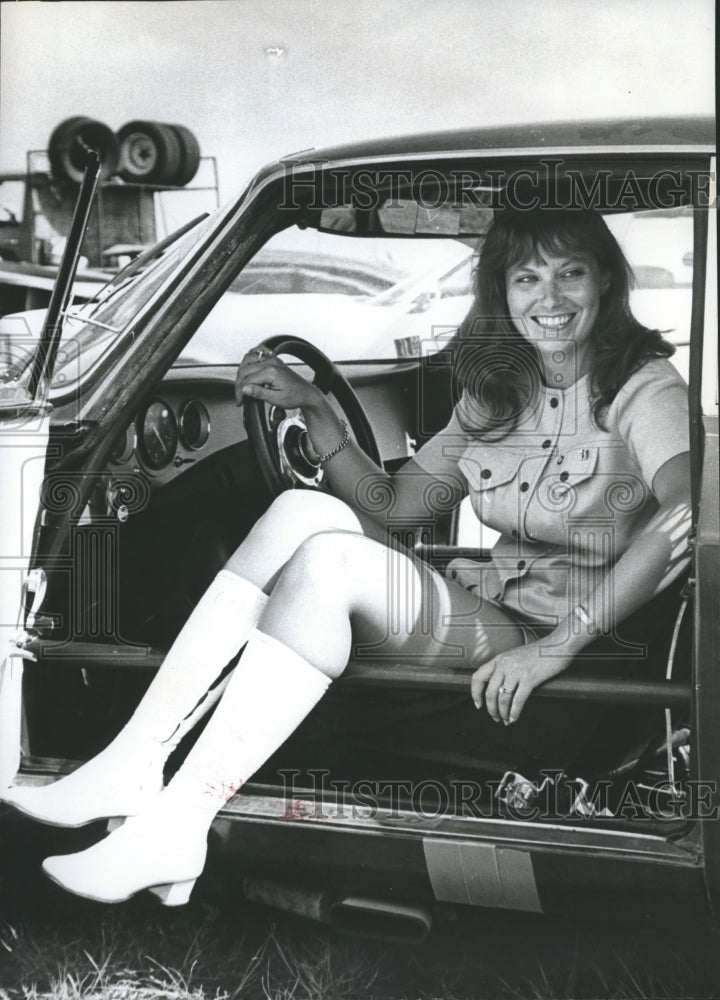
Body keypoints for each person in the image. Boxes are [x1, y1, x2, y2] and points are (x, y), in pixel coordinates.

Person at [1, 207, 691, 905]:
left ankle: (179, 820)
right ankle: (134, 762)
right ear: (502, 292)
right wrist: (314, 409)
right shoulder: (498, 394)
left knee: (329, 563)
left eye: (571, 273)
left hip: (552, 654)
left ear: (605, 280)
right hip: (489, 617)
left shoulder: (643, 386)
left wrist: (556, 649)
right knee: (305, 511)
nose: (550, 298)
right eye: (527, 277)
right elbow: (395, 505)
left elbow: (685, 513)